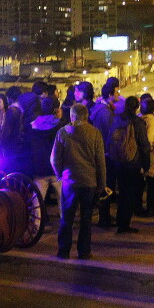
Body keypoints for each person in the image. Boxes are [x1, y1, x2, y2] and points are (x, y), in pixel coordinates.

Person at [51, 103, 106, 259]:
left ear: (72, 116)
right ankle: (84, 251)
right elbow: (100, 161)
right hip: (89, 182)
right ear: (86, 116)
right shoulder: (95, 133)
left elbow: (54, 159)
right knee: (86, 219)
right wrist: (102, 184)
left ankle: (63, 250)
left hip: (70, 182)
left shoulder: (62, 133)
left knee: (67, 217)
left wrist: (60, 175)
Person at [109, 96, 150, 233]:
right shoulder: (138, 123)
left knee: (122, 192)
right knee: (131, 194)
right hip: (133, 162)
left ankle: (120, 221)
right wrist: (146, 164)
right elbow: (144, 146)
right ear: (137, 107)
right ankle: (124, 224)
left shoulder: (117, 119)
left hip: (118, 162)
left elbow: (111, 139)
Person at [28, 97, 63, 216]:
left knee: (37, 201)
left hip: (40, 169)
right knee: (63, 199)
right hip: (57, 169)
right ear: (56, 110)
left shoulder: (33, 126)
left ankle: (37, 226)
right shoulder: (61, 127)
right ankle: (65, 226)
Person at [91, 80, 118, 228]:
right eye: (117, 92)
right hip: (106, 153)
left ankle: (105, 216)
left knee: (105, 185)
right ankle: (104, 218)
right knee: (107, 186)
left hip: (102, 152)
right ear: (110, 94)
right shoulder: (106, 112)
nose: (118, 95)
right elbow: (111, 133)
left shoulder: (99, 109)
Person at [0, 93, 19, 167]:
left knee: (9, 163)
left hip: (9, 144)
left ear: (4, 102)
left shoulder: (11, 113)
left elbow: (15, 129)